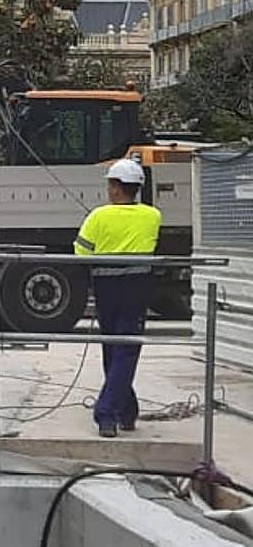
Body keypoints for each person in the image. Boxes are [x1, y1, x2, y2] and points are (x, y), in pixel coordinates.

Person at [74, 158, 162, 438]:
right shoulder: (153, 216)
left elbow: (81, 252)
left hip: (105, 289)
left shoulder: (98, 217)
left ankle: (107, 414)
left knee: (113, 349)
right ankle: (127, 410)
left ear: (115, 188)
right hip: (137, 289)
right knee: (124, 351)